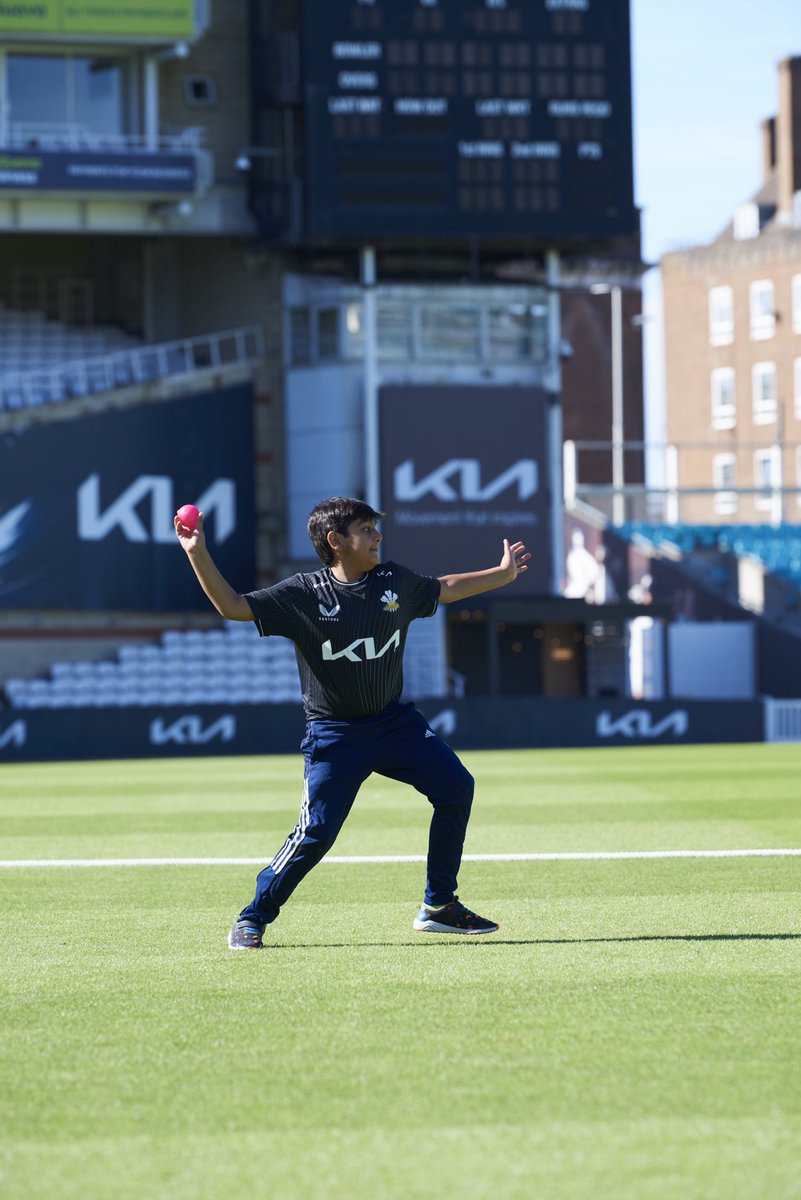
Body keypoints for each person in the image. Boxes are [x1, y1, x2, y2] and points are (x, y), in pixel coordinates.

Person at [174, 496, 530, 950]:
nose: (377, 536)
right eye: (366, 529)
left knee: (456, 787)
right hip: (335, 735)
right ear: (335, 541)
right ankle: (253, 917)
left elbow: (446, 587)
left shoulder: (394, 581)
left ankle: (438, 905)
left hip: (395, 723)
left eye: (375, 528)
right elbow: (233, 607)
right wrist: (196, 551)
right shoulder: (303, 594)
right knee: (316, 833)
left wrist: (501, 574)